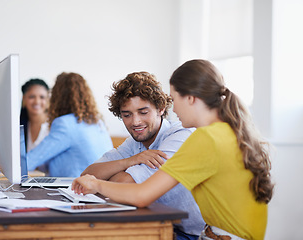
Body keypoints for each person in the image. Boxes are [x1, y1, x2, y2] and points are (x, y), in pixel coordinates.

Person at [72, 60, 274, 240]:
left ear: (191, 99)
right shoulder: (225, 131)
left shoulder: (204, 138)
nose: (173, 109)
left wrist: (96, 184)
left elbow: (141, 195)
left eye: (174, 99)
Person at [80, 72, 205, 240]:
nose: (135, 122)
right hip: (162, 226)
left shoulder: (179, 136)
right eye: (127, 115)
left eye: (143, 112)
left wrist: (102, 181)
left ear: (161, 109)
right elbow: (88, 174)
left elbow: (124, 183)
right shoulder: (135, 142)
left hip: (193, 235)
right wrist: (130, 161)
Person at [27, 72, 113, 177]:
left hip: (77, 188)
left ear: (56, 97)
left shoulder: (65, 124)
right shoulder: (97, 122)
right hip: (102, 186)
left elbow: (29, 161)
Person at [20, 78, 50, 152]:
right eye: (32, 97)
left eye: (42, 97)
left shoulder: (54, 125)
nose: (37, 101)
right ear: (24, 99)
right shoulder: (20, 126)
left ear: (47, 100)